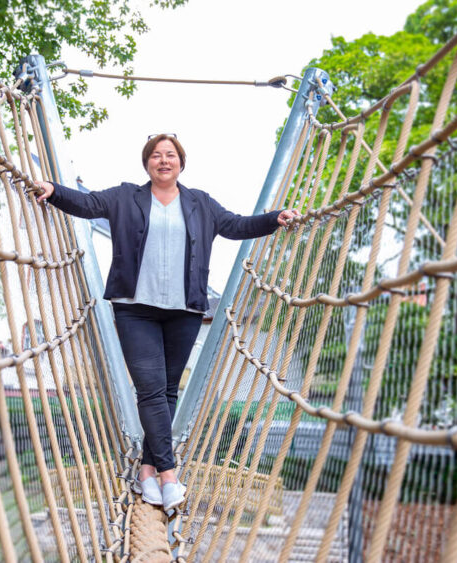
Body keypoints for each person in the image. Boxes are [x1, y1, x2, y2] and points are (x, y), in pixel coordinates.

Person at [35, 134, 299, 511]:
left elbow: (237, 226)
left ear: (181, 163)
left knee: (167, 391)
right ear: (147, 164)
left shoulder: (200, 203)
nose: (163, 161)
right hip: (135, 308)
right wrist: (53, 190)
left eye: (170, 155)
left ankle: (146, 469)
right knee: (151, 389)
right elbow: (87, 202)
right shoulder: (125, 196)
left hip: (184, 310)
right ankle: (169, 474)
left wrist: (275, 218)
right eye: (156, 156)